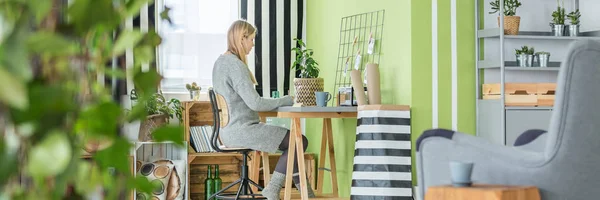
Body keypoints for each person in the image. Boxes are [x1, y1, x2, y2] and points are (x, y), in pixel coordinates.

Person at [212, 20, 316, 199]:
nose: (253, 44)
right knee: (298, 141)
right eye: (252, 39)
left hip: (228, 131)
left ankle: (307, 193)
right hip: (243, 130)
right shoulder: (235, 65)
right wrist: (287, 100)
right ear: (242, 38)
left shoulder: (220, 63)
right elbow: (256, 103)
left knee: (295, 142)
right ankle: (273, 188)